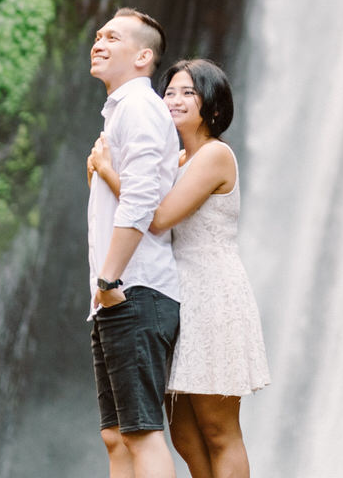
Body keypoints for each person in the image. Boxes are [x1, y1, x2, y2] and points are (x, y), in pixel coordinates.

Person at [90, 58, 270, 478]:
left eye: (188, 91)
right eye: (169, 91)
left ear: (213, 105)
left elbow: (155, 216)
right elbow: (132, 205)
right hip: (176, 292)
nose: (174, 99)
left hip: (213, 293)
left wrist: (107, 170)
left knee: (217, 428)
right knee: (186, 434)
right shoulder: (177, 161)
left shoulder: (214, 155)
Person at [87, 7, 181, 478]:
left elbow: (144, 199)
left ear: (143, 56)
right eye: (98, 35)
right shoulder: (121, 112)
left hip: (134, 290)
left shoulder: (141, 108)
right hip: (118, 295)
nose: (99, 42)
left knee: (142, 433)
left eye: (113, 37)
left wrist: (109, 280)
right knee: (117, 435)